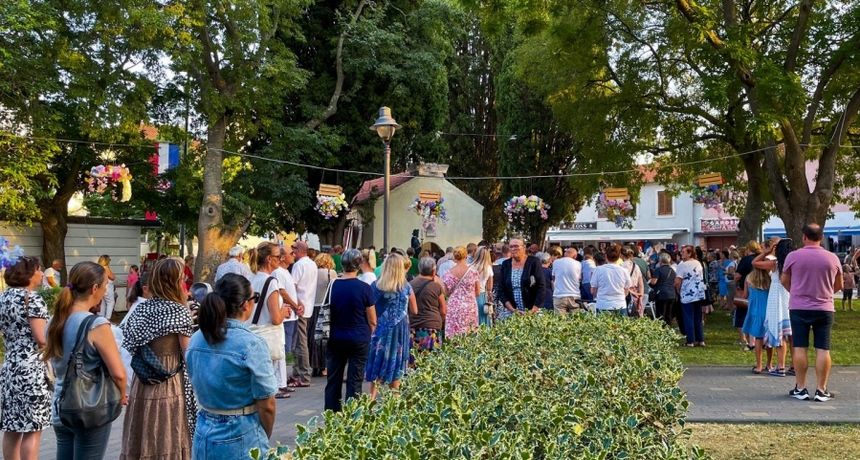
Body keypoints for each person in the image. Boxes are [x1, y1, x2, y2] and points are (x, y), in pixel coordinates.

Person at [186, 274, 277, 459]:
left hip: (203, 430)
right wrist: (262, 435)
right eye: (255, 298)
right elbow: (267, 404)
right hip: (241, 433)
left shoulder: (196, 339)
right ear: (245, 304)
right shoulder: (252, 344)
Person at [44, 261, 128, 459]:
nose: (106, 290)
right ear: (94, 288)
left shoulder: (54, 320)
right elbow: (118, 373)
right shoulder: (97, 325)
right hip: (89, 407)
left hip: (61, 404)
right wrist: (122, 395)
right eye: (105, 285)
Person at [120, 257, 195, 459]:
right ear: (176, 282)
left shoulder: (142, 308)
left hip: (143, 379)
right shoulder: (179, 311)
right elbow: (188, 353)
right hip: (169, 380)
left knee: (143, 429)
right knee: (167, 431)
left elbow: (129, 340)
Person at [782, 224, 842, 402]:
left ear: (804, 237)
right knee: (823, 348)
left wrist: (795, 292)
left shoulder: (793, 256)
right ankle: (821, 390)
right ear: (821, 237)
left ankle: (801, 388)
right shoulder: (832, 258)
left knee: (800, 347)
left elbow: (785, 280)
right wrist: (826, 293)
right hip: (824, 308)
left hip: (799, 307)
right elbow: (839, 284)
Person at [0, 256, 51, 460]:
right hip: (31, 370)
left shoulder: (3, 298)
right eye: (38, 269)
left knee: (11, 428)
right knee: (33, 428)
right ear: (29, 274)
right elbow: (41, 338)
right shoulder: (32, 299)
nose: (41, 273)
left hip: (10, 368)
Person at [325, 250, 377, 412]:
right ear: (359, 265)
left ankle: (332, 414)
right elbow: (372, 319)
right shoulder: (365, 288)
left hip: (335, 337)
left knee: (334, 379)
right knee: (355, 380)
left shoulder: (333, 285)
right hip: (359, 337)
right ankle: (352, 415)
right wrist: (370, 332)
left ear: (342, 264)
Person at [365, 253, 417, 400]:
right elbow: (414, 310)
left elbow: (369, 307)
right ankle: (395, 399)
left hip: (380, 328)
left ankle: (371, 400)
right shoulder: (406, 287)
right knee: (397, 361)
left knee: (378, 359)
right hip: (400, 330)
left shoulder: (376, 286)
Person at [248, 242, 291, 399]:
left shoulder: (251, 279)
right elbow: (276, 319)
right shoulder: (271, 282)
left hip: (252, 333)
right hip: (267, 337)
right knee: (266, 388)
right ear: (268, 259)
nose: (281, 259)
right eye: (278, 256)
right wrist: (284, 311)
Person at [754, 238, 793, 377]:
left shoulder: (775, 264)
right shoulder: (792, 263)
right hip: (790, 296)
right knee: (791, 334)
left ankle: (781, 366)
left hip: (776, 297)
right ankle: (793, 366)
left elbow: (755, 263)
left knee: (779, 332)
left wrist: (766, 252)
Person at [272, 246, 300, 395]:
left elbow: (290, 291)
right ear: (283, 257)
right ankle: (279, 382)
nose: (294, 255)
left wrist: (298, 304)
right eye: (291, 253)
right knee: (282, 349)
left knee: (286, 350)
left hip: (291, 315)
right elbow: (282, 292)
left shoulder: (286, 272)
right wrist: (295, 305)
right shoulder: (278, 272)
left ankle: (282, 381)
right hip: (286, 316)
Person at [409, 257, 447, 365]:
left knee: (414, 361)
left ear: (419, 269)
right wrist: (440, 322)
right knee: (431, 363)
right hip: (432, 327)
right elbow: (443, 310)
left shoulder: (410, 285)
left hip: (413, 327)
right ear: (433, 271)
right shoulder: (436, 287)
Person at [290, 241, 318, 388]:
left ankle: (304, 374)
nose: (292, 252)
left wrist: (296, 303)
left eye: (294, 249)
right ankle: (297, 372)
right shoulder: (312, 264)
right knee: (301, 341)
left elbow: (292, 286)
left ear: (300, 250)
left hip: (299, 307)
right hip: (308, 306)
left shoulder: (298, 265)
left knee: (300, 342)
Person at [497, 238, 546, 319]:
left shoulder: (533, 262)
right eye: (511, 246)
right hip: (511, 311)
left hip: (533, 310)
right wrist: (512, 310)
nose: (513, 249)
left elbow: (541, 287)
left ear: (524, 247)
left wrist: (533, 310)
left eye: (516, 246)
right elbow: (501, 289)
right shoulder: (506, 264)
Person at [442, 246, 481, 337]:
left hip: (454, 306)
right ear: (466, 256)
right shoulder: (473, 272)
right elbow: (478, 292)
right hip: (470, 306)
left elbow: (445, 293)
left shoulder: (449, 273)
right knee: (470, 334)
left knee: (453, 334)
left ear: (455, 257)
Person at [740, 265, 772, 374]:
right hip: (768, 310)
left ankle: (759, 365)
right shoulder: (769, 278)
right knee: (768, 338)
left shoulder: (749, 278)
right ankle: (769, 364)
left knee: (758, 338)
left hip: (754, 310)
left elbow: (745, 295)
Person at [675, 246, 707, 347]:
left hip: (687, 294)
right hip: (699, 293)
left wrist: (678, 290)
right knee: (698, 317)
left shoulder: (682, 265)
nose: (681, 253)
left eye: (683, 252)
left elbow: (678, 281)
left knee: (688, 317)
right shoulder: (698, 263)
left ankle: (690, 341)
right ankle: (700, 339)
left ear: (689, 253)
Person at [311, 253, 337, 377]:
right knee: (326, 337)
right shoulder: (331, 273)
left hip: (313, 307)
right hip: (326, 308)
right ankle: (326, 366)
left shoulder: (314, 272)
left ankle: (315, 365)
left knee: (314, 338)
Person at [590, 245, 632, 314]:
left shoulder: (598, 270)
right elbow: (627, 290)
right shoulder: (624, 271)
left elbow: (593, 290)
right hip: (620, 304)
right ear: (619, 257)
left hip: (602, 304)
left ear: (606, 256)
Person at [648, 253, 677, 326]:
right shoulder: (672, 270)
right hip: (672, 294)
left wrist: (649, 281)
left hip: (662, 294)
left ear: (660, 260)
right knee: (668, 314)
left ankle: (661, 329)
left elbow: (654, 282)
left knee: (661, 314)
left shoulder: (658, 270)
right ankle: (668, 328)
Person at [552, 247, 583, 315]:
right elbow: (580, 279)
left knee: (559, 320)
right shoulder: (578, 264)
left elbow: (554, 278)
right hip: (574, 295)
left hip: (559, 295)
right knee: (575, 319)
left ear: (565, 254)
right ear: (575, 256)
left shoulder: (556, 262)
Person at [471, 247, 494, 326]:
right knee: (482, 318)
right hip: (482, 296)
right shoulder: (488, 268)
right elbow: (489, 287)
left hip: (470, 295)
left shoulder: (470, 267)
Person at [97, 255, 116, 321]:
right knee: (111, 302)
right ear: (106, 261)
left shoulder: (99, 267)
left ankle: (101, 318)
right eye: (109, 260)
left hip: (101, 287)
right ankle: (107, 318)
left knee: (103, 303)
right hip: (108, 287)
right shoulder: (105, 268)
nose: (110, 261)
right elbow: (112, 277)